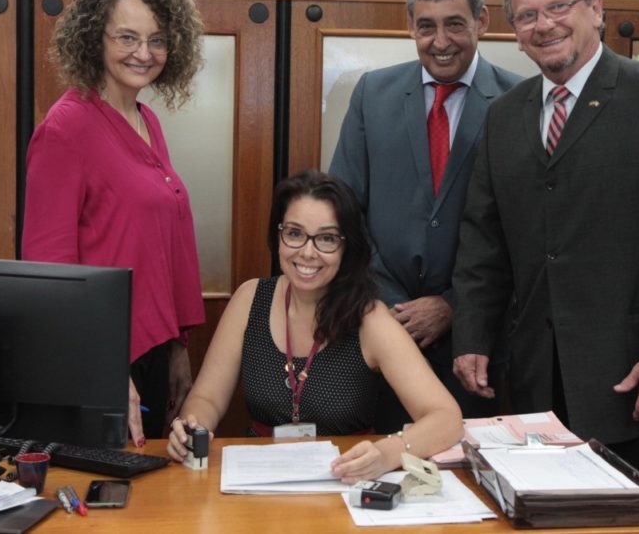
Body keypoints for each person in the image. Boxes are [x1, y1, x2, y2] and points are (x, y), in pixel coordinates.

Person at [451, 0, 639, 526]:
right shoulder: (505, 116)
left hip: (633, 385)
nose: (544, 24)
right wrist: (472, 333)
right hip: (532, 387)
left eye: (559, 6)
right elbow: (484, 240)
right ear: (515, 34)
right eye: (527, 16)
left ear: (595, 8)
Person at [166, 170, 463, 482]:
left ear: (347, 247)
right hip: (255, 482)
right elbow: (207, 398)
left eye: (326, 239)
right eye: (294, 233)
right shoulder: (250, 299)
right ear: (277, 236)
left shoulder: (369, 318)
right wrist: (192, 426)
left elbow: (446, 417)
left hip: (345, 481)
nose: (307, 252)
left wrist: (389, 453)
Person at [329, 0, 520, 433]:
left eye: (455, 24)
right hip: (380, 335)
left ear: (481, 20)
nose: (440, 42)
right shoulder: (373, 93)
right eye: (426, 26)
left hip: (477, 349)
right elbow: (343, 212)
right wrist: (388, 307)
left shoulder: (519, 103)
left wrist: (453, 305)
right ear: (409, 24)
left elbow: (525, 233)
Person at [22, 0, 206, 447]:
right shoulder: (66, 129)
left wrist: (177, 348)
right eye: (127, 37)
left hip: (148, 352)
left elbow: (161, 246)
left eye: (158, 39)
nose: (143, 53)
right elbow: (49, 271)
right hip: (94, 357)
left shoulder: (146, 121)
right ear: (94, 40)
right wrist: (106, 372)